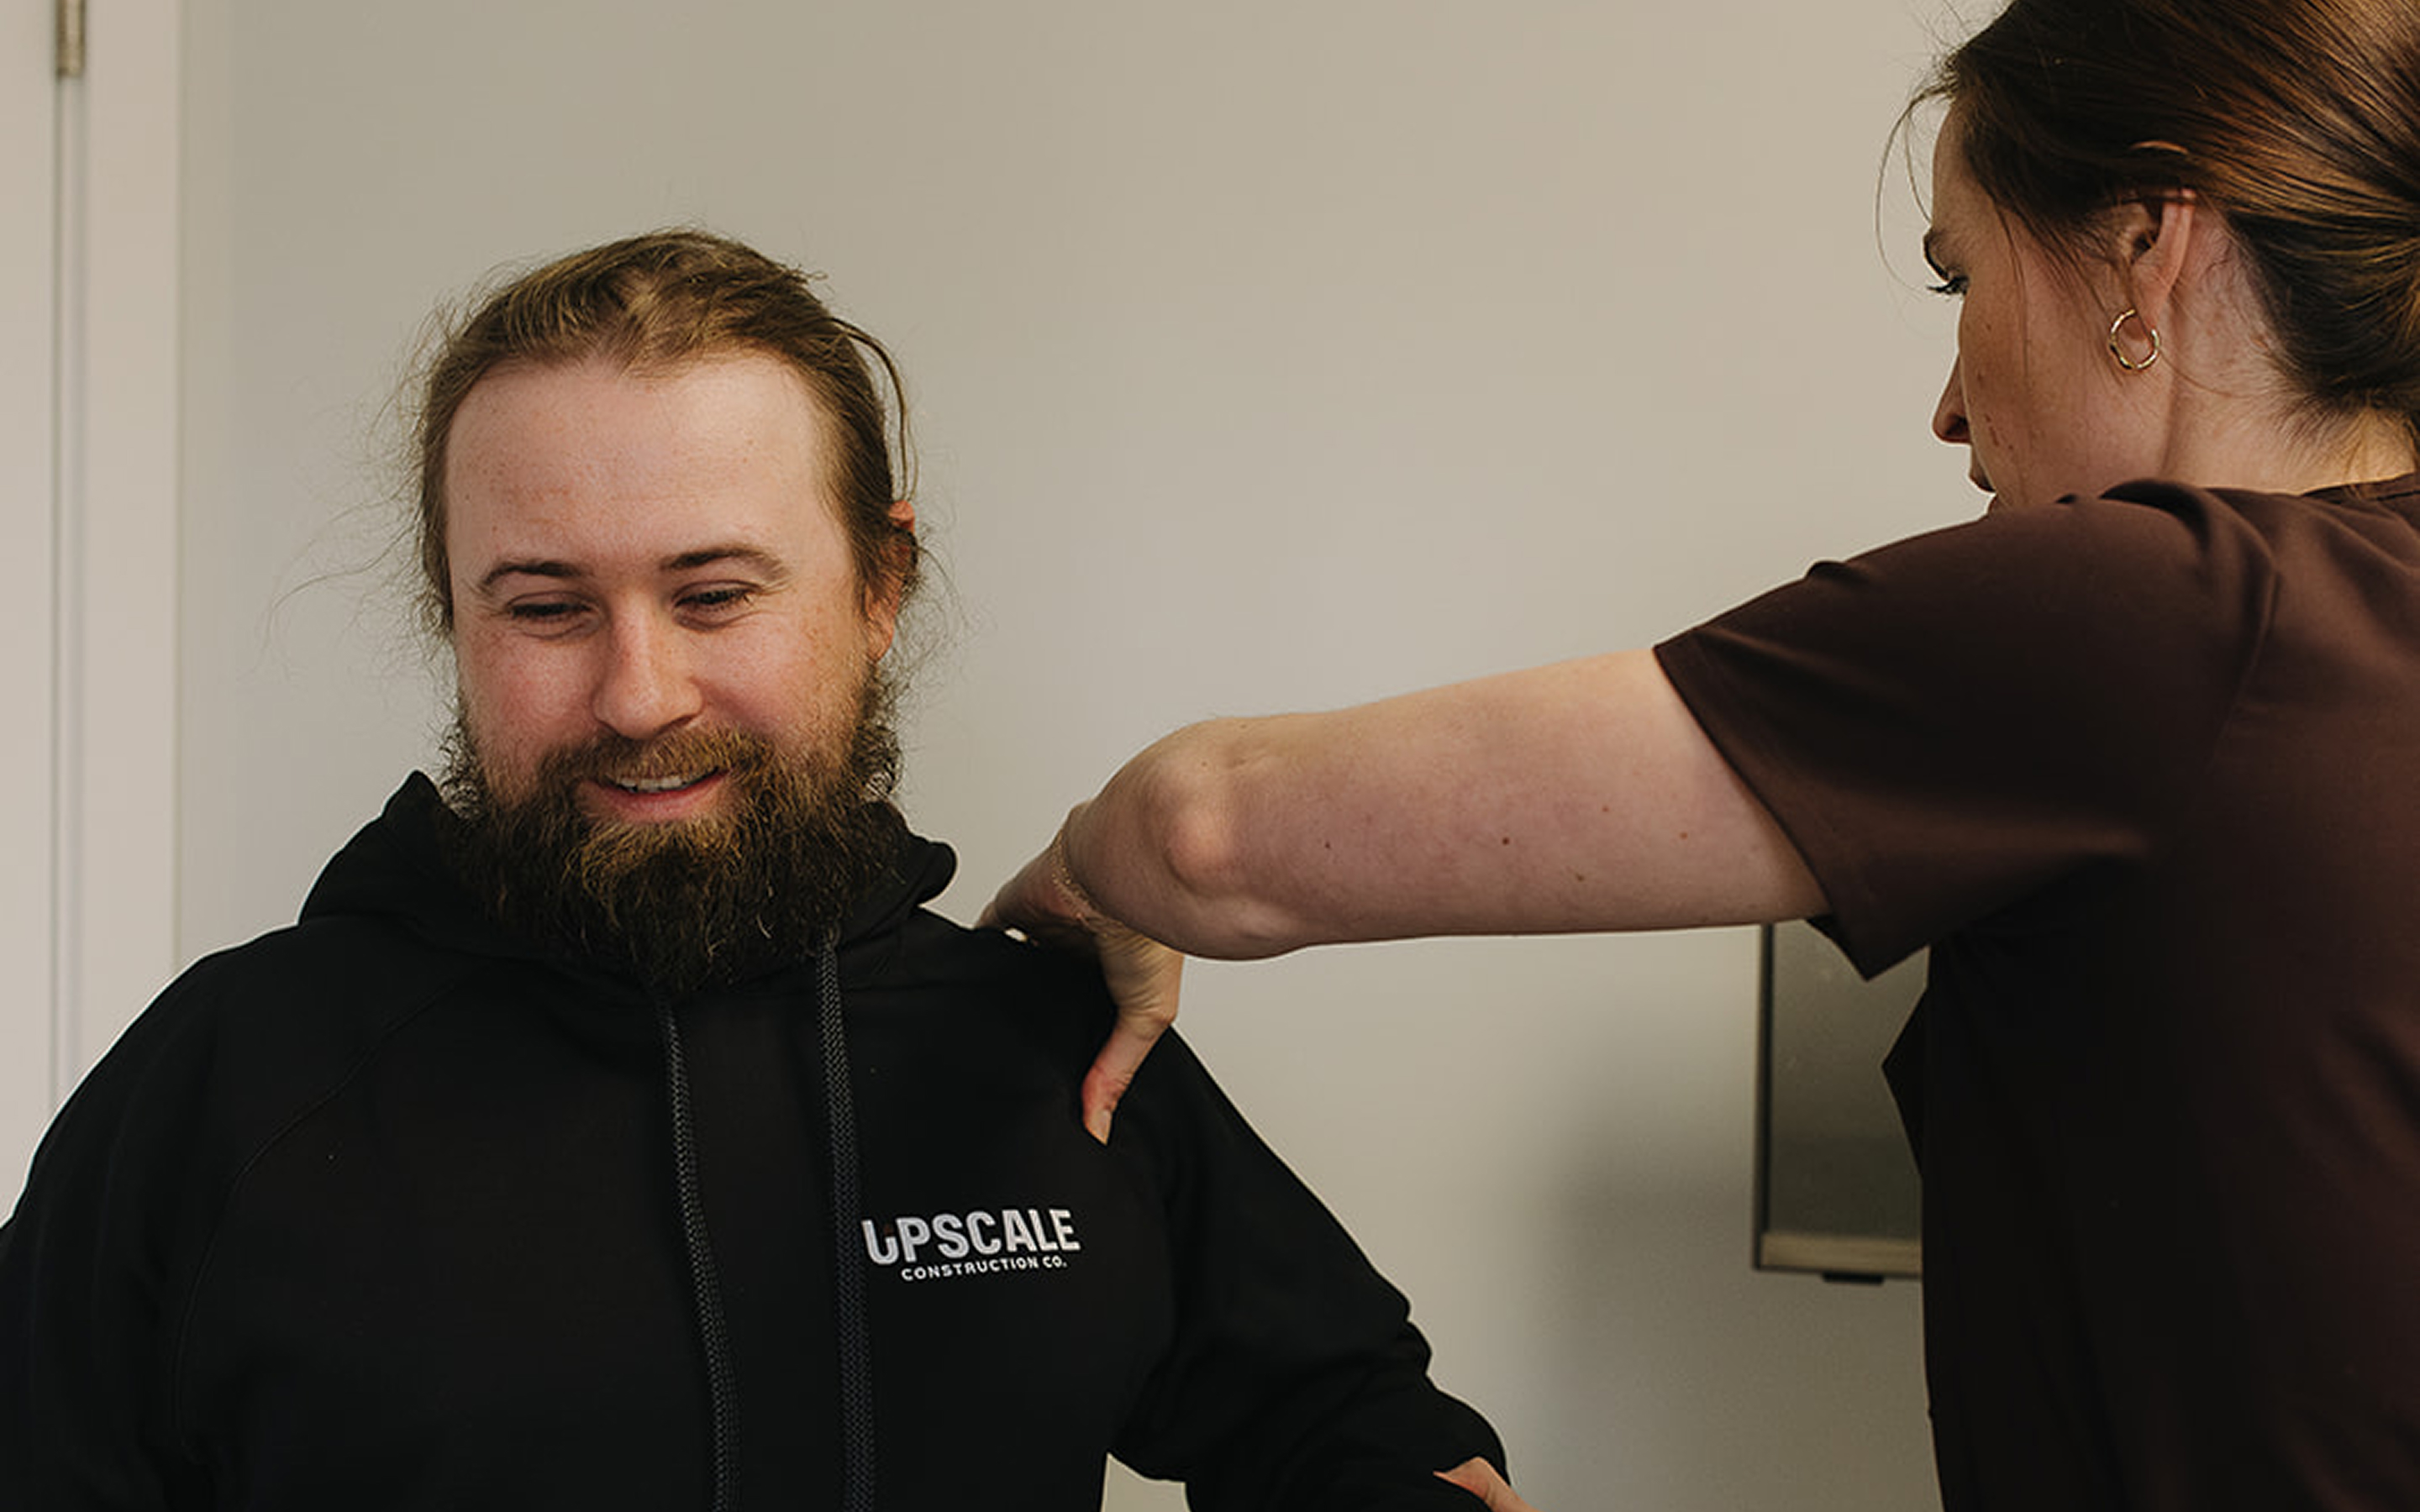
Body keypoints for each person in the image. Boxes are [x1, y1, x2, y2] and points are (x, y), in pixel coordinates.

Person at [981, 1, 2420, 1509]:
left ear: (2144, 242)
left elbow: (1211, 833)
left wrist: (1085, 872)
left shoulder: (2156, 612)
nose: (1948, 407)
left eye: (1962, 276)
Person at [0, 229, 1531, 1512]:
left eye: (716, 593)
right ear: (452, 619)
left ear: (879, 587)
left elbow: (1364, 1436)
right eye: (546, 608)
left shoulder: (1052, 1049)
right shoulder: (230, 1084)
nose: (638, 695)